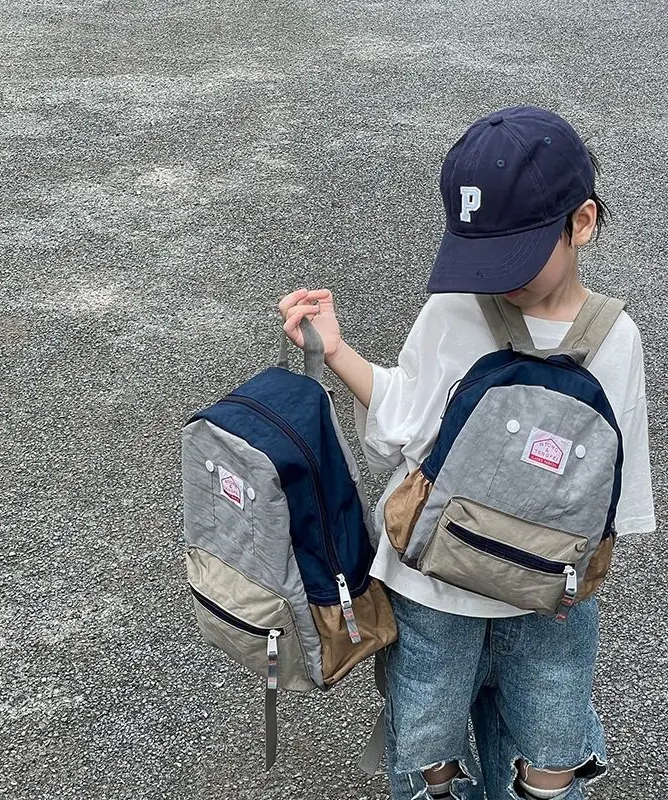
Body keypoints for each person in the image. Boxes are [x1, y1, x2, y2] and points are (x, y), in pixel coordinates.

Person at [278, 106, 655, 800]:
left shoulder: (616, 337)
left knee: (535, 745)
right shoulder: (461, 307)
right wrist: (335, 352)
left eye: (513, 254)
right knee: (456, 741)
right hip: (456, 590)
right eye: (480, 255)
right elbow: (403, 420)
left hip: (475, 583)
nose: (494, 277)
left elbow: (615, 490)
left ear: (584, 222)